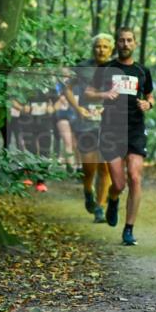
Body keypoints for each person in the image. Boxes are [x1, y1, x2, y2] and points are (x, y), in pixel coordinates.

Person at [86, 27, 154, 246]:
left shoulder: (142, 71)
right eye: (122, 41)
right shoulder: (106, 68)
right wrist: (103, 94)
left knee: (135, 177)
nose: (125, 44)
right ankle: (113, 199)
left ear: (135, 44)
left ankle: (129, 228)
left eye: (129, 40)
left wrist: (148, 103)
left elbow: (150, 95)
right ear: (117, 44)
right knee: (118, 183)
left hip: (135, 128)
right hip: (110, 130)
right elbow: (88, 93)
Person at [65, 34, 115, 223]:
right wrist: (78, 109)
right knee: (89, 168)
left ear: (110, 50)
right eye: (98, 46)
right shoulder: (82, 67)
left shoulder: (115, 68)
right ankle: (88, 190)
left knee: (105, 168)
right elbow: (67, 88)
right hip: (86, 122)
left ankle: (100, 208)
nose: (101, 50)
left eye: (105, 47)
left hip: (108, 123)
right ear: (93, 49)